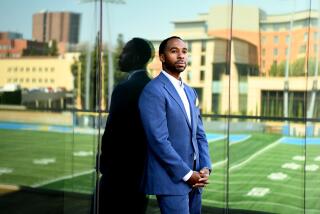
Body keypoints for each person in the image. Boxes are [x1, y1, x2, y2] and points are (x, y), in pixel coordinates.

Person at [138, 36, 212, 214]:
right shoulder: (153, 90)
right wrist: (187, 174)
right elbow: (158, 141)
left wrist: (205, 167)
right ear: (162, 57)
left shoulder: (190, 91)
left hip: (196, 178)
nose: (181, 56)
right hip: (172, 180)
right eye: (174, 51)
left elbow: (199, 134)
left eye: (184, 51)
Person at [98, 37, 154, 214]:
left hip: (118, 173)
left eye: (124, 52)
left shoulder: (125, 88)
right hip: (141, 173)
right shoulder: (155, 87)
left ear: (136, 58)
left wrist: (105, 162)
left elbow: (113, 132)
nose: (119, 56)